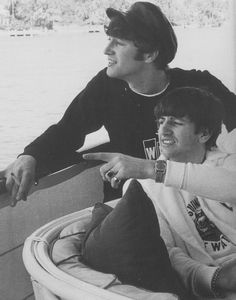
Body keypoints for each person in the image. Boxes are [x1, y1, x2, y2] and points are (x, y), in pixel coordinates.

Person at [1, 1, 236, 206]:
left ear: (149, 54)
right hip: (127, 203)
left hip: (196, 203)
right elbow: (67, 131)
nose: (106, 50)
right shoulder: (106, 87)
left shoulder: (201, 88)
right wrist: (30, 156)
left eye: (119, 43)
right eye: (109, 40)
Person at [83, 87, 236, 299]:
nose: (163, 131)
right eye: (161, 121)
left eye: (175, 122)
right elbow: (166, 251)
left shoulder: (228, 163)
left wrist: (151, 169)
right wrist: (214, 278)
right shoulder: (145, 186)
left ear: (204, 133)